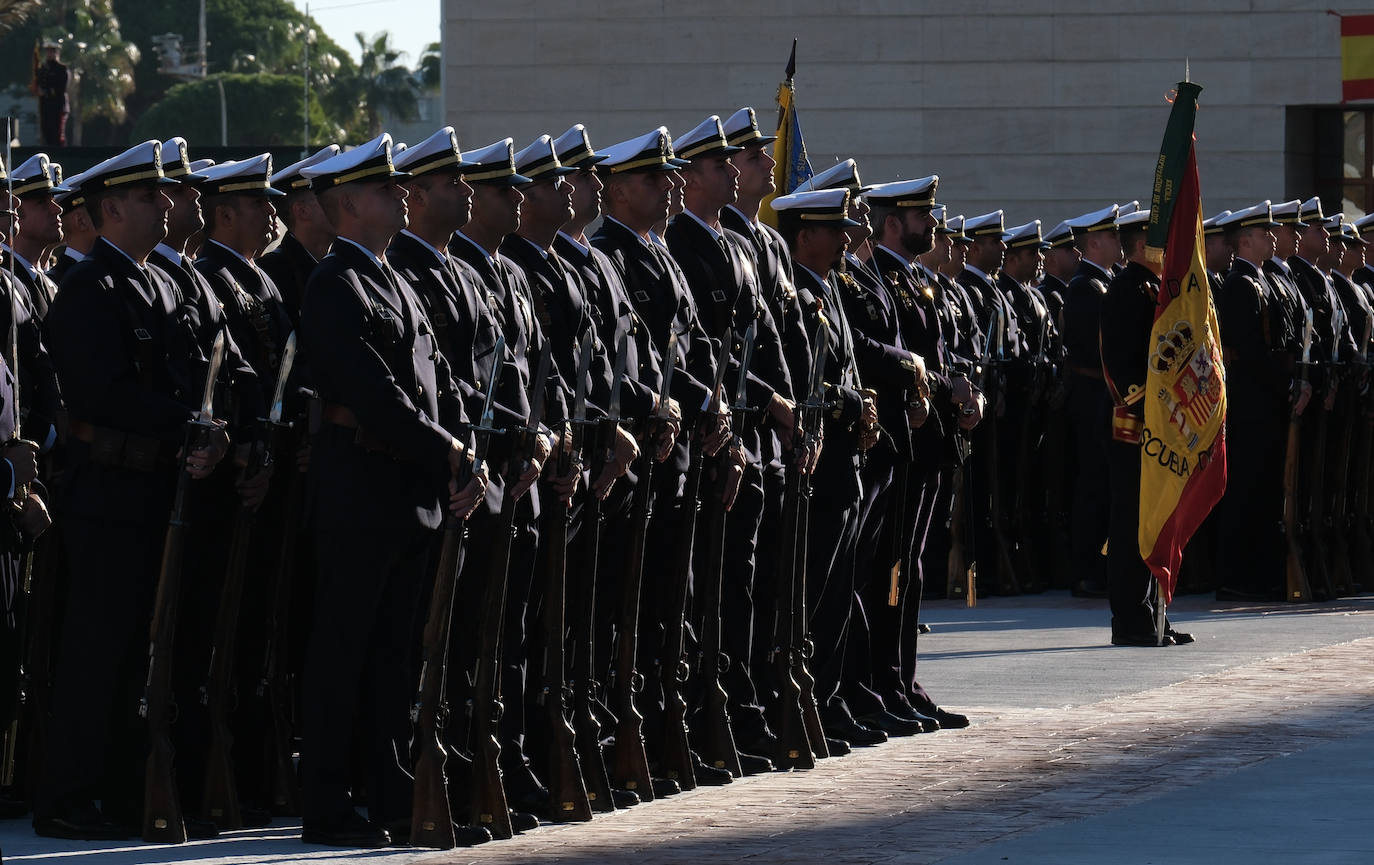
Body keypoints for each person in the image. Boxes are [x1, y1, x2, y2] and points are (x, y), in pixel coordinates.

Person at [36, 140, 232, 840]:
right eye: (150, 196)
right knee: (101, 646)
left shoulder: (162, 283)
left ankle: (124, 789)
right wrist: (188, 425)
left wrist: (209, 432)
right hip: (110, 493)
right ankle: (68, 795)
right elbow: (100, 393)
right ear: (112, 209)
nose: (165, 204)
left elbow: (194, 378)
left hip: (158, 488)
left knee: (147, 651)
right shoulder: (91, 289)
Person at [296, 133, 486, 847]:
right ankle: (327, 804)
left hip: (407, 489)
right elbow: (374, 394)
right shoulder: (334, 284)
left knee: (394, 657)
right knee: (343, 651)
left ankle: (390, 791)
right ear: (346, 205)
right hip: (359, 487)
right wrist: (447, 449)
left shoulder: (394, 278)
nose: (401, 195)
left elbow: (438, 381)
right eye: (385, 189)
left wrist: (465, 446)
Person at [33, 41, 69, 148]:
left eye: (52, 51)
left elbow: (61, 88)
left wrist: (46, 92)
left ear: (56, 53)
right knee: (46, 133)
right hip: (45, 106)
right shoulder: (43, 69)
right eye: (48, 51)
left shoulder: (61, 69)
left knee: (57, 135)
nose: (49, 54)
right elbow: (39, 83)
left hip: (58, 106)